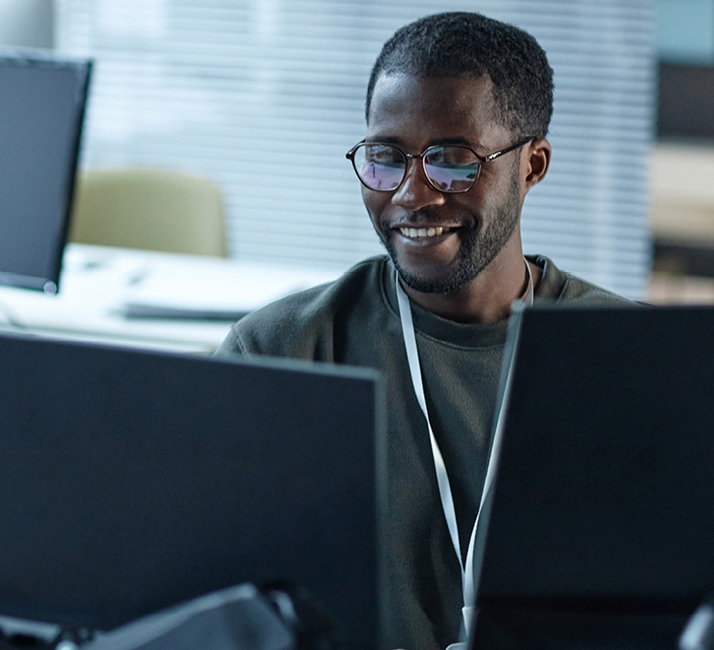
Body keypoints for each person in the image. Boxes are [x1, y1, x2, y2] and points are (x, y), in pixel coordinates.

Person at [215, 12, 632, 649]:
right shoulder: (279, 352)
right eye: (387, 158)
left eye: (454, 161)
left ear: (533, 165)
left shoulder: (637, 361)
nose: (413, 195)